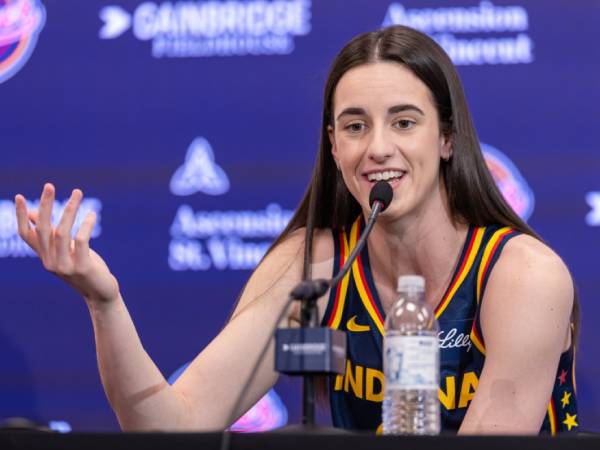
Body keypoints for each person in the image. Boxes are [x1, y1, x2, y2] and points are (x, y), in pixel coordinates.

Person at [14, 25, 578, 434]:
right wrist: (104, 302)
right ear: (334, 146)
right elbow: (170, 426)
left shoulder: (523, 275)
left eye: (404, 122)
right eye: (355, 126)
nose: (378, 147)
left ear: (446, 140)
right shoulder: (314, 267)